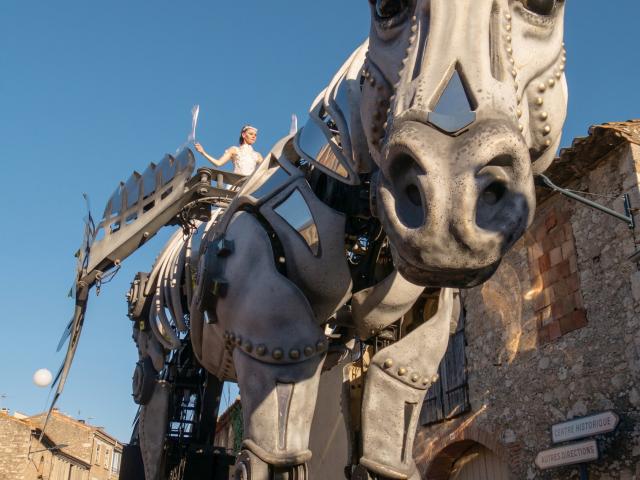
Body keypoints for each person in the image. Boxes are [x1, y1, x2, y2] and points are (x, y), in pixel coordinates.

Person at [194, 125, 263, 176]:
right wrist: (203, 152)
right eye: (251, 134)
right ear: (244, 135)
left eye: (255, 135)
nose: (254, 136)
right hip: (237, 184)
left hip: (250, 186)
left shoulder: (257, 155)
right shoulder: (234, 150)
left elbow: (265, 171)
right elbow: (218, 163)